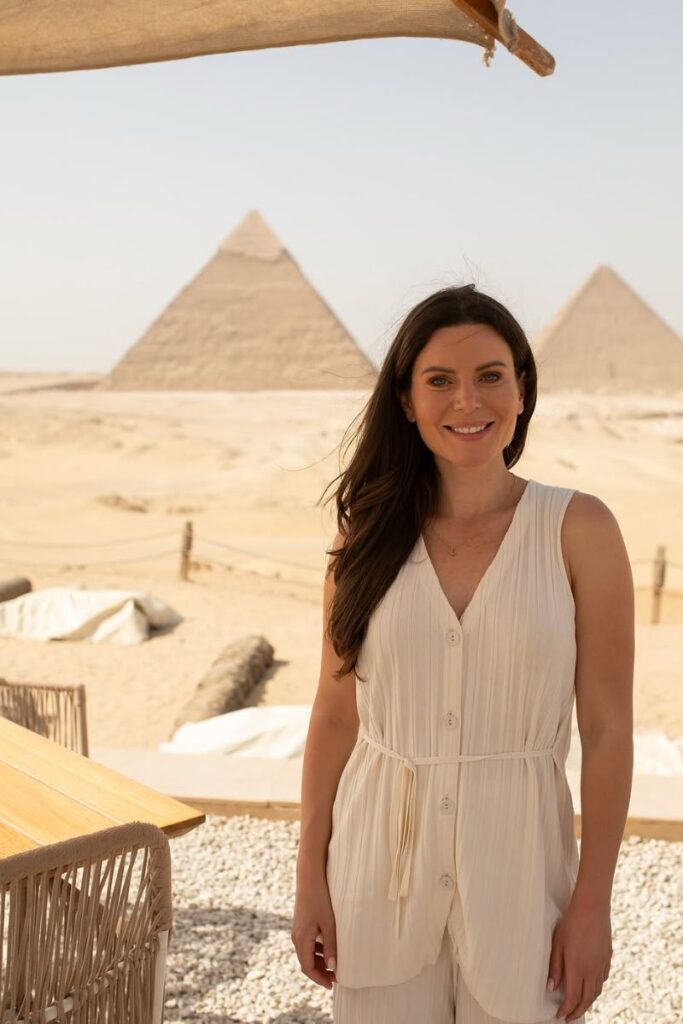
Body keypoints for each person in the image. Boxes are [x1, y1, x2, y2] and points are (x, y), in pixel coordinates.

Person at [291, 284, 634, 1024]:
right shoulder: (363, 542)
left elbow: (607, 731)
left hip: (519, 880)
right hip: (373, 880)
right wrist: (309, 881)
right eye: (439, 380)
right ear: (407, 402)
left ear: (520, 390)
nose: (466, 401)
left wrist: (591, 907)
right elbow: (333, 717)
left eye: (489, 376)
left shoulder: (580, 530)